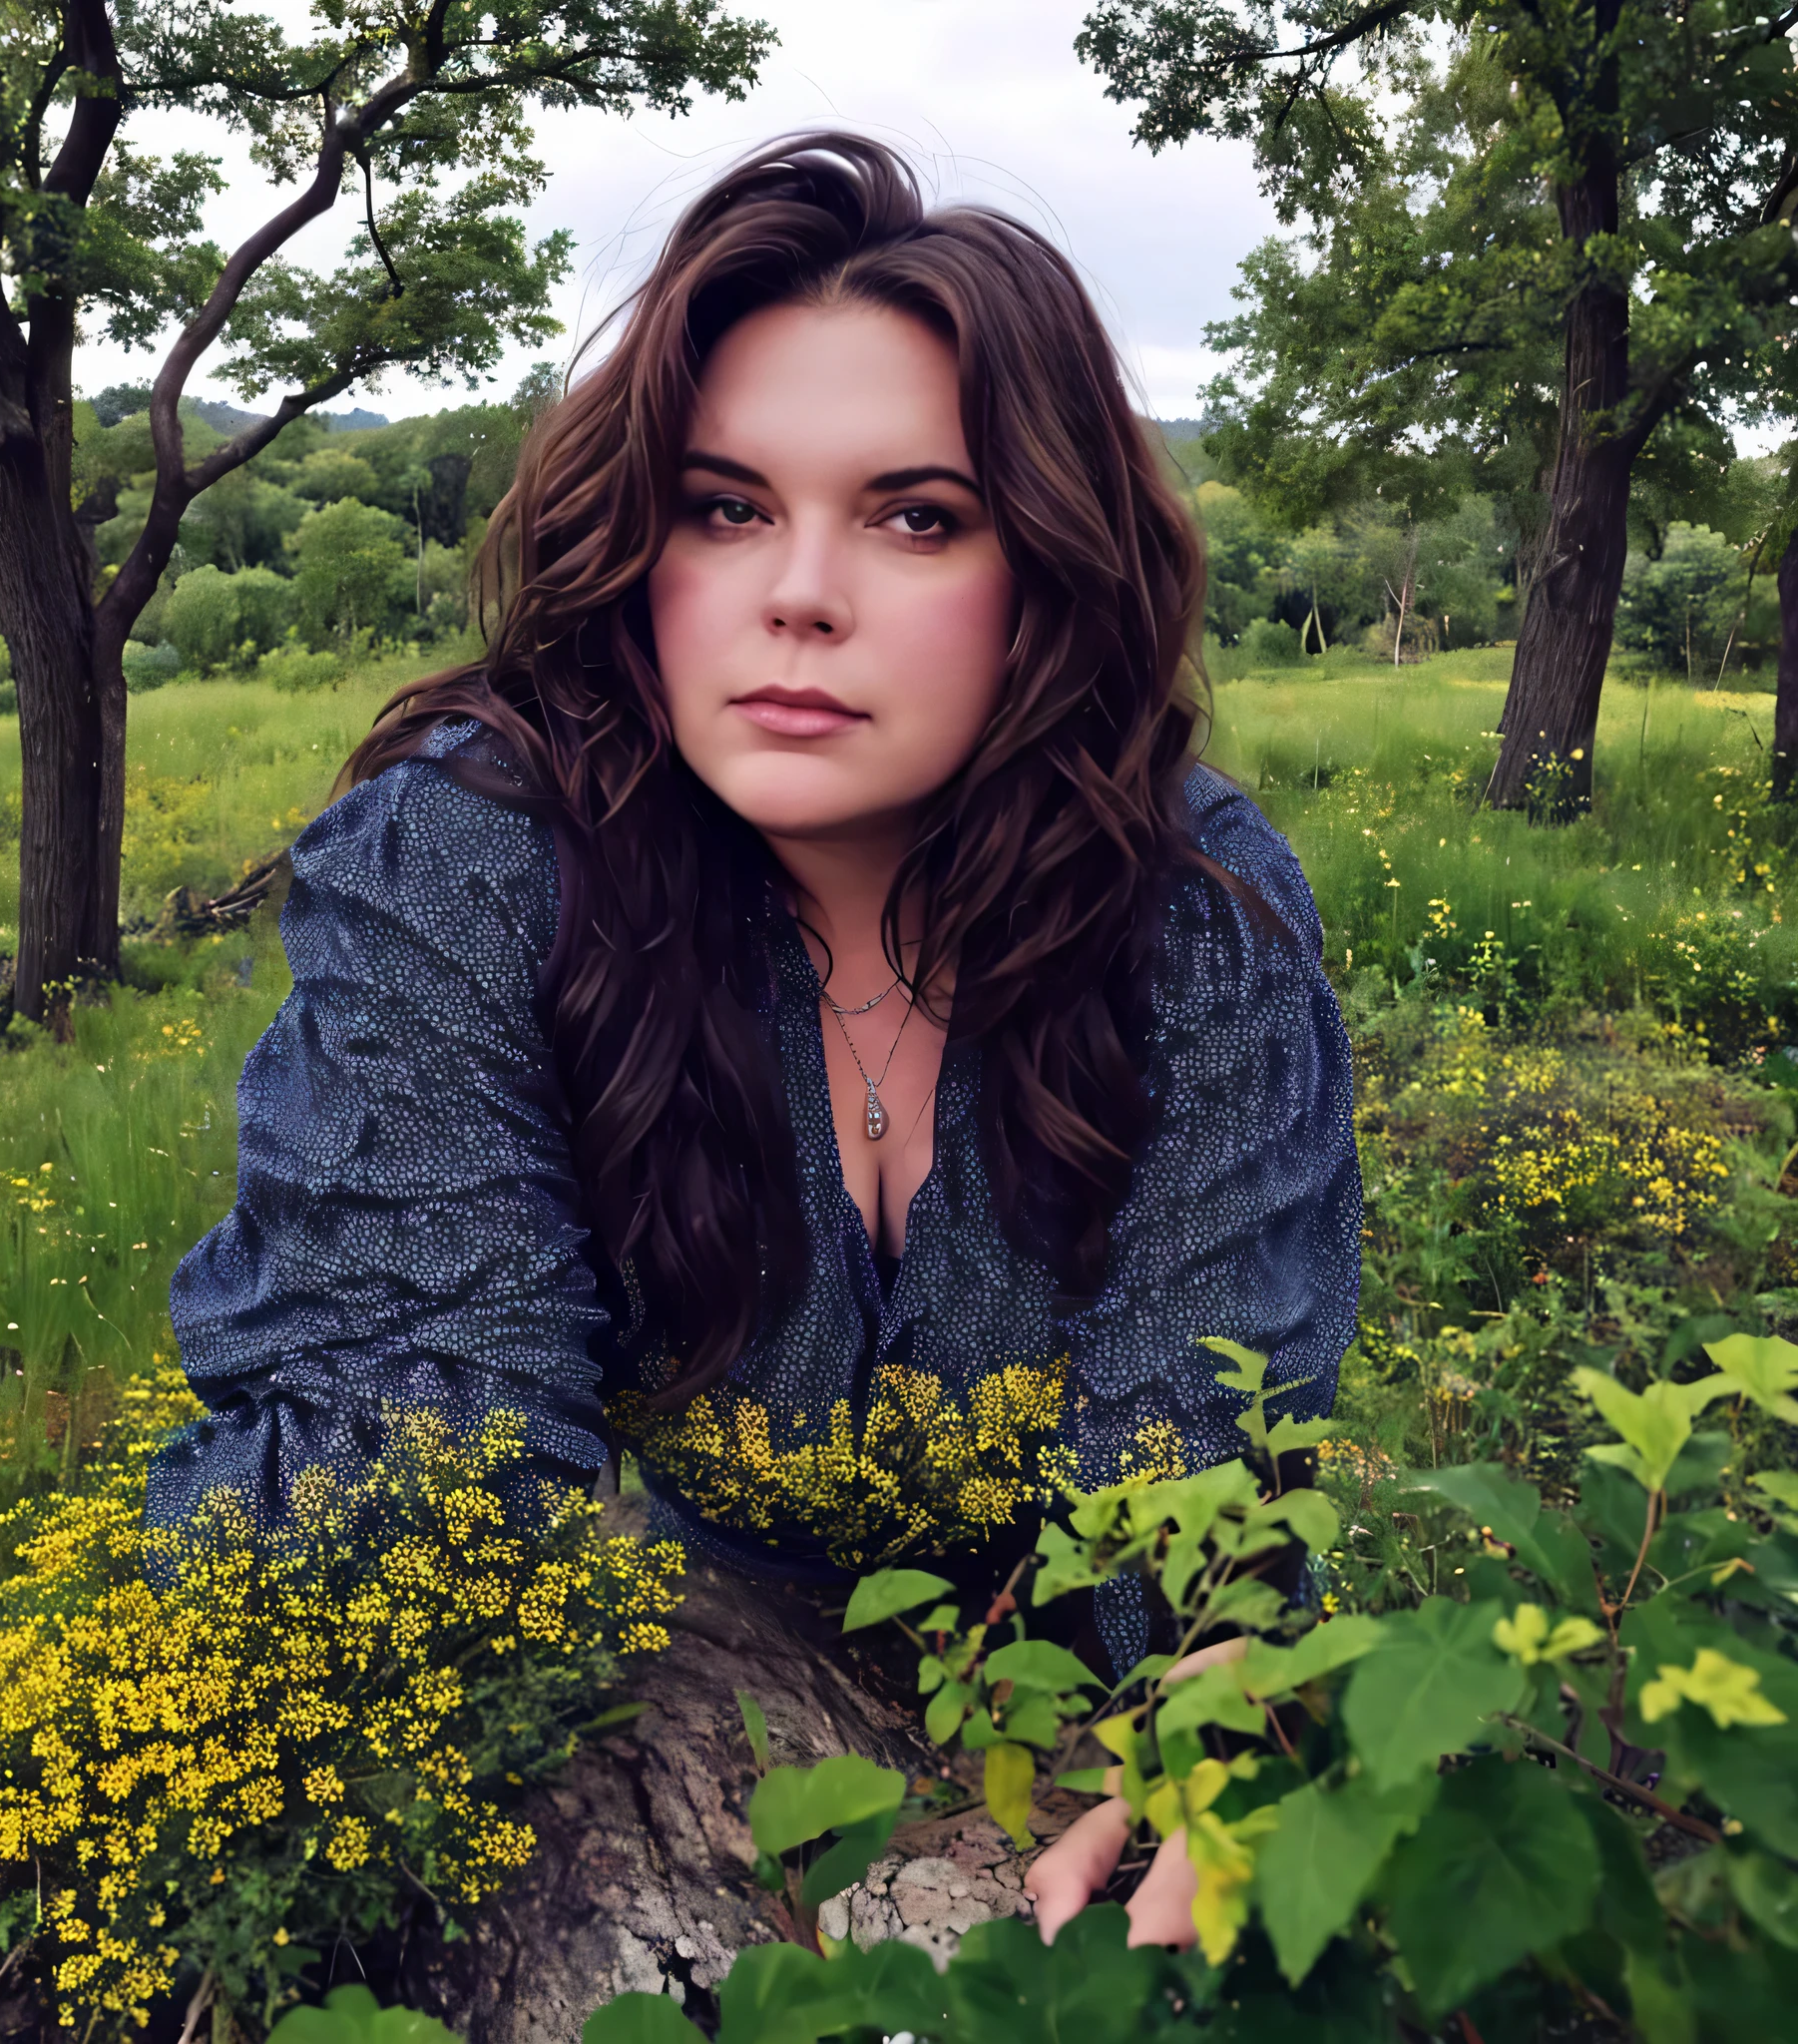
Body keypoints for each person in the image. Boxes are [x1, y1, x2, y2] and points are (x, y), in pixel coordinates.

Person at [147, 134, 1359, 1950]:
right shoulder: (473, 854)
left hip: (1042, 1698)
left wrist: (1223, 1716)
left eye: (915, 516)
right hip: (704, 1661)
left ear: (1046, 568)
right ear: (639, 544)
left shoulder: (1189, 902)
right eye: (725, 507)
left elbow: (1213, 1445)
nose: (799, 594)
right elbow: (427, 1422)